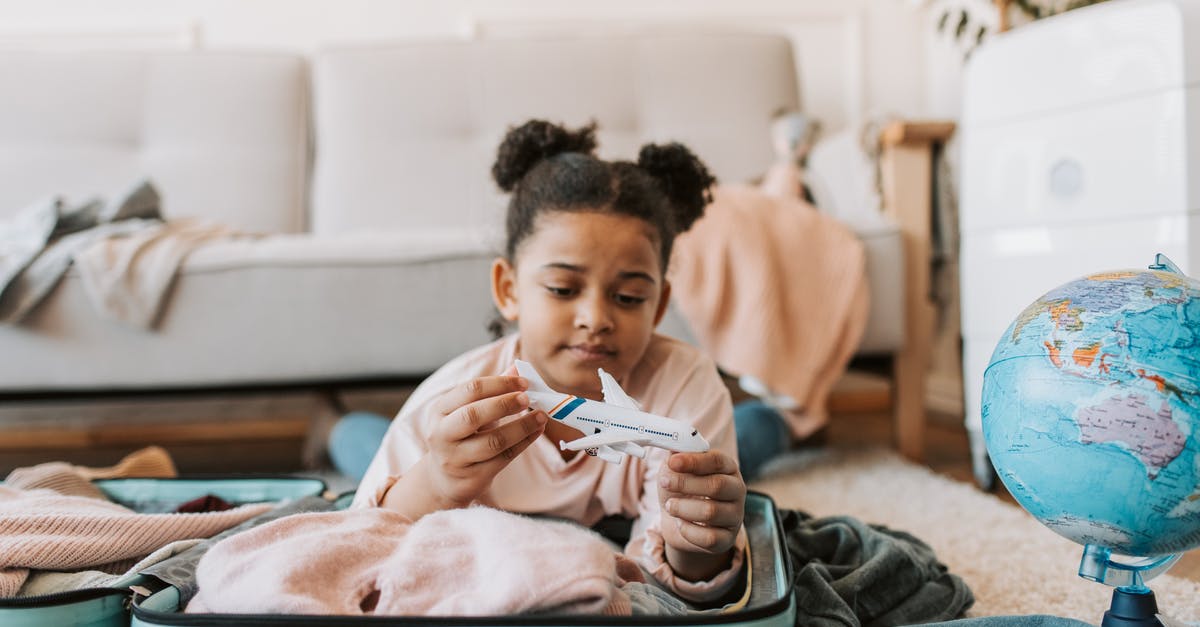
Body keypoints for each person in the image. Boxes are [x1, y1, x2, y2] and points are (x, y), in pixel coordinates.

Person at [351, 119, 747, 604]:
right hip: (414, 444)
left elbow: (670, 586)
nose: (596, 318)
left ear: (659, 307)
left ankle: (771, 426)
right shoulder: (449, 401)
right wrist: (436, 480)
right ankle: (341, 427)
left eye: (628, 297)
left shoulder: (685, 385)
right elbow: (361, 540)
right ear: (508, 289)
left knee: (749, 449)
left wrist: (696, 547)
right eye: (562, 289)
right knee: (362, 446)